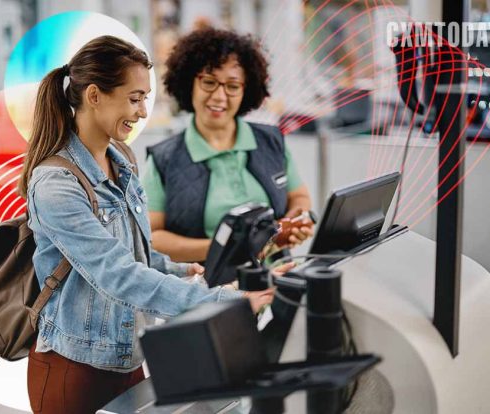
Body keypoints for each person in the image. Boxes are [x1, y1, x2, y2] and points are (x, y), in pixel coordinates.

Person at [18, 35, 274, 414]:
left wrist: (184, 270)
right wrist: (224, 301)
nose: (141, 112)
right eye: (135, 98)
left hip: (130, 358)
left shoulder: (122, 160)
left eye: (145, 100)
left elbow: (137, 253)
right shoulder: (56, 184)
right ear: (94, 95)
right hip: (72, 368)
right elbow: (118, 274)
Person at [143, 28, 315, 263]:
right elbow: (152, 237)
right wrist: (226, 248)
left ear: (246, 90)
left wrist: (295, 222)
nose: (219, 97)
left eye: (232, 86)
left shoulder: (271, 142)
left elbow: (299, 197)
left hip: (277, 282)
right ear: (189, 83)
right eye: (209, 82)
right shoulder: (164, 160)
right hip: (207, 291)